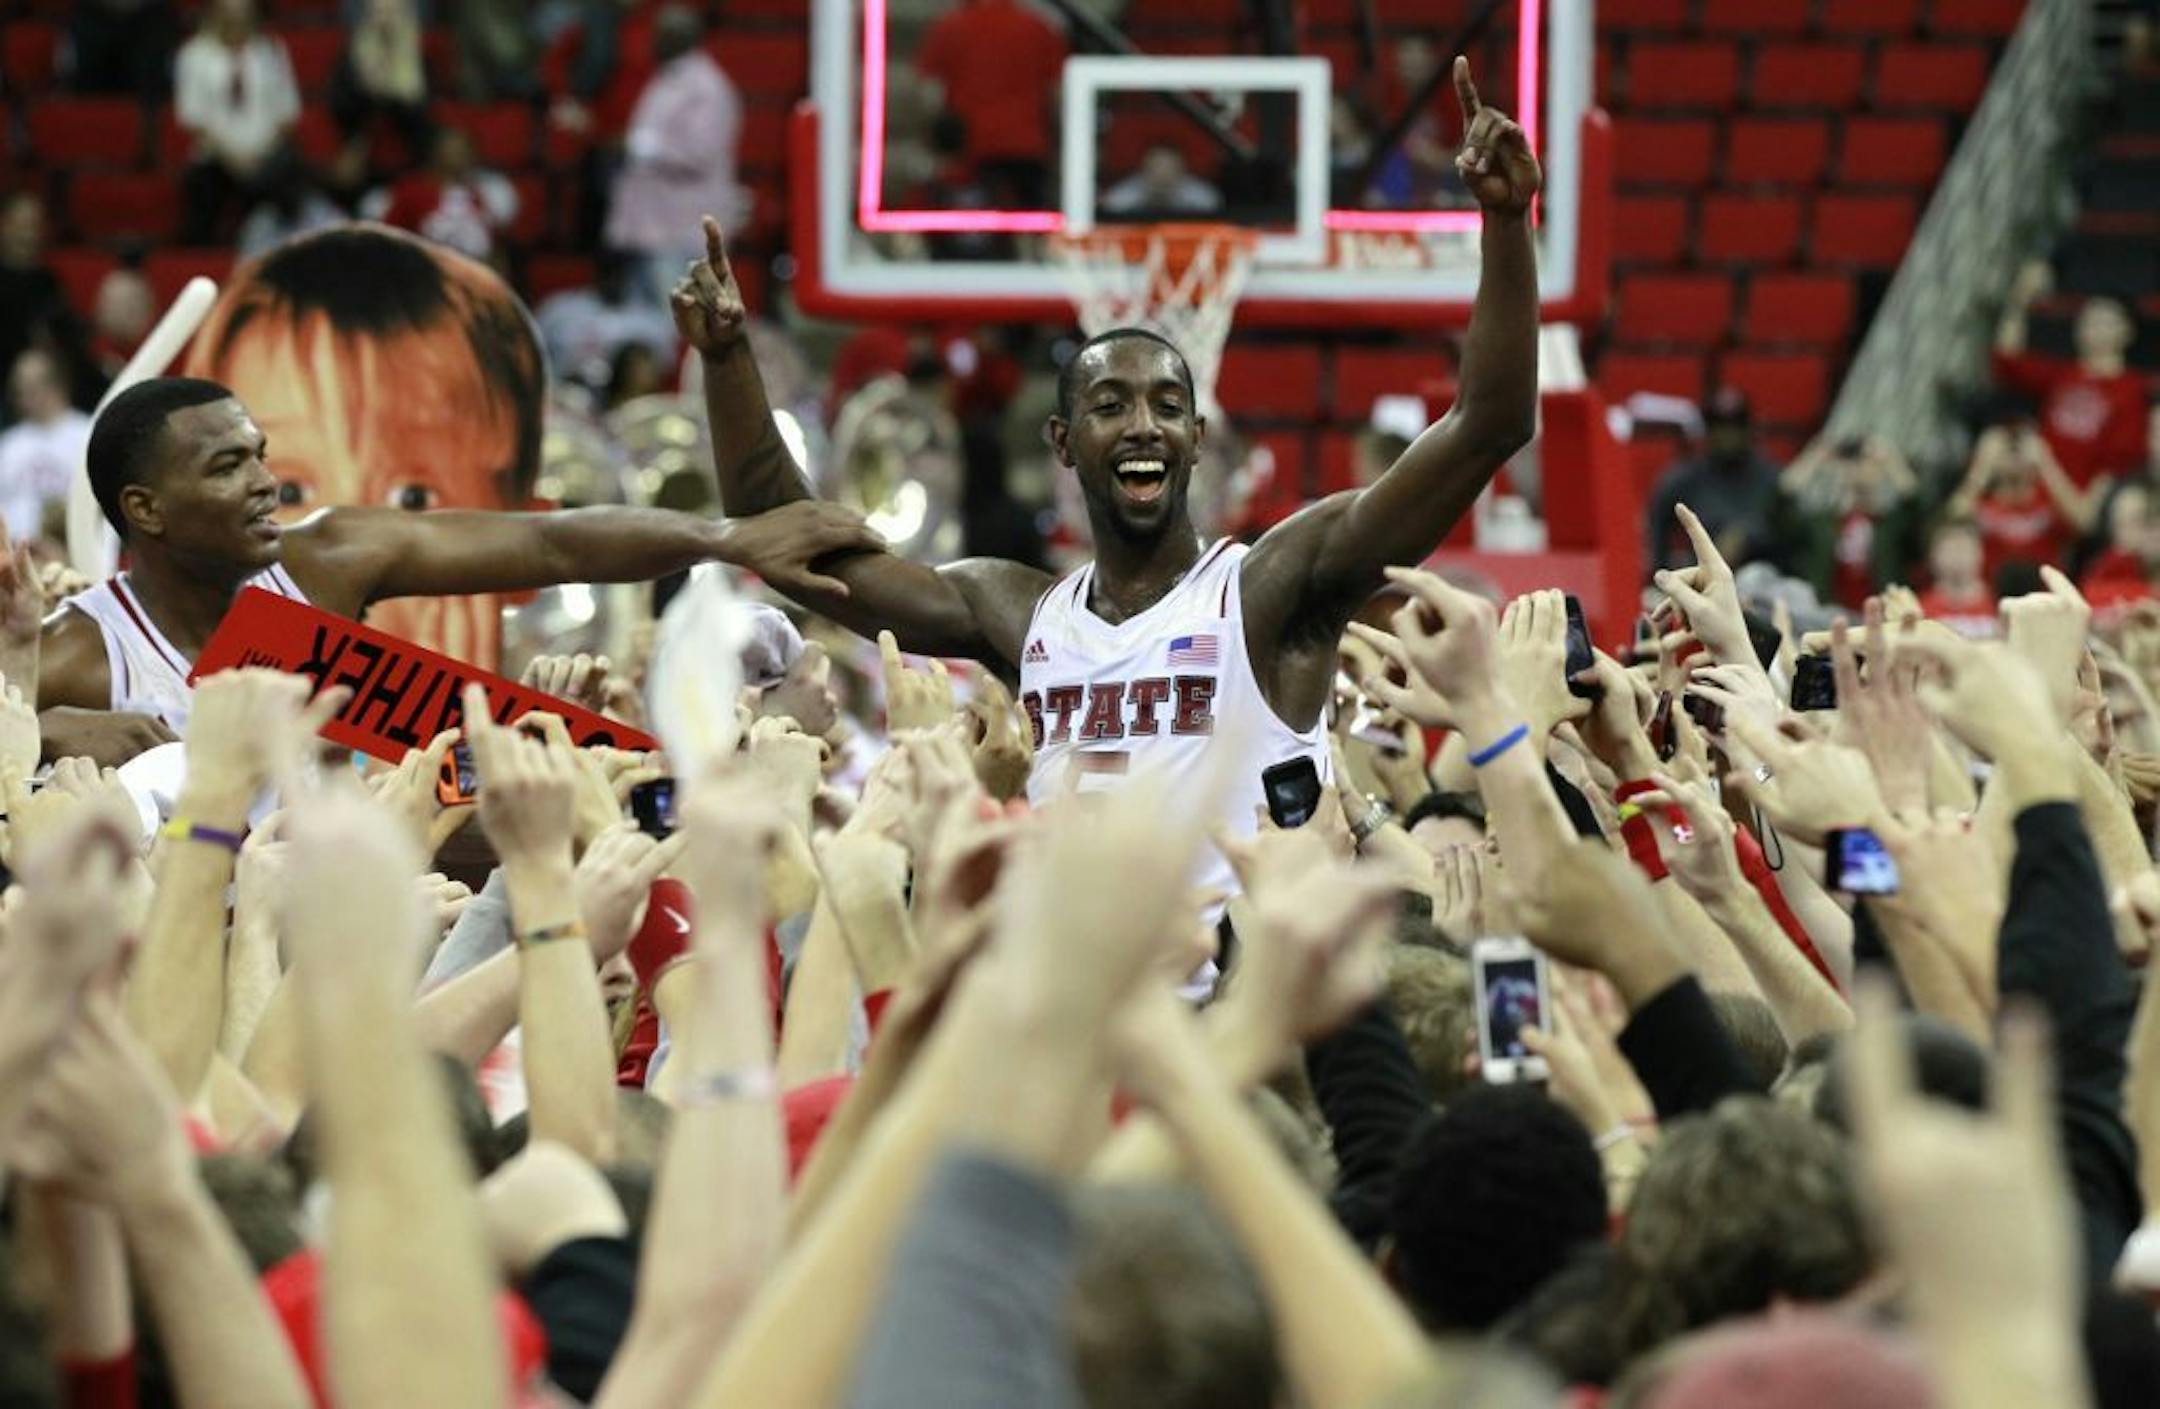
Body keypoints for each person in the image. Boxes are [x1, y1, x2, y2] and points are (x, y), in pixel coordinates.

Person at [682, 58, 1539, 890]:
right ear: (1062, 440)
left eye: (1168, 406)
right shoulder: (1015, 612)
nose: (1144, 425)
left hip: (1249, 1015)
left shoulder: (1273, 587)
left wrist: (1504, 226)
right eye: (1112, 404)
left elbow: (1487, 426)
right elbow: (796, 552)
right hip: (1083, 1018)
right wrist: (726, 361)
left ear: (1198, 438)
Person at [35, 376, 880, 763]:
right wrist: (32, 736)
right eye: (226, 466)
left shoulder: (323, 562)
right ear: (144, 509)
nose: (263, 480)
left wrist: (725, 538)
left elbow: (553, 545)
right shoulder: (75, 659)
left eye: (259, 455)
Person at [178, 224, 546, 663]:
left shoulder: (574, 715)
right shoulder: (158, 700)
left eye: (413, 499)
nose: (348, 553)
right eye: (287, 493)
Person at [604, 4, 749, 305]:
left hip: (684, 234)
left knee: (681, 324)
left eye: (666, 34)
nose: (656, 40)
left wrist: (639, 146)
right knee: (650, 324)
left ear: (688, 37)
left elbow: (699, 153)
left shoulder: (707, 87)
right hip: (650, 229)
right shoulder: (666, 79)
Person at [1994, 261, 2148, 491]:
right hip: (2036, 495)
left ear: (2127, 331)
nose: (2091, 327)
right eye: (2088, 319)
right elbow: (2006, 360)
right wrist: (2020, 300)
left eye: (2104, 321)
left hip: (2082, 504)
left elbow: (2120, 467)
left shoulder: (2131, 389)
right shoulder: (2063, 374)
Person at [914, 0, 1069, 206]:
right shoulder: (1038, 26)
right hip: (1026, 147)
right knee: (1027, 225)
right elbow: (1058, 92)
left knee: (973, 230)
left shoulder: (949, 26)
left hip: (969, 150)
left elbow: (929, 93)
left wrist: (942, 143)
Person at [174, 0, 302, 245]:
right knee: (201, 190)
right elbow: (193, 119)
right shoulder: (194, 54)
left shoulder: (272, 51)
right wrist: (234, 158)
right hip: (215, 158)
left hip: (266, 155)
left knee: (288, 179)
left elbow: (287, 112)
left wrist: (259, 154)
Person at [1770, 435, 1925, 611]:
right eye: (1851, 462)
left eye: (1864, 462)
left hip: (1882, 617)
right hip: (1826, 616)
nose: (1857, 469)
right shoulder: (1821, 524)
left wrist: (1892, 462)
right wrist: (1812, 460)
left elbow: (1918, 508)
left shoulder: (1890, 526)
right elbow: (1778, 515)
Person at [1644, 389, 1781, 575]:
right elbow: (1657, 526)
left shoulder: (1771, 478)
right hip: (1704, 580)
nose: (1727, 435)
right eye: (1719, 427)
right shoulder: (1686, 478)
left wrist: (1746, 536)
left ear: (1748, 429)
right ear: (1707, 431)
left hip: (1763, 578)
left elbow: (1790, 534)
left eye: (1735, 427)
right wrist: (1661, 573)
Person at [368, 126, 520, 264]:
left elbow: (494, 247)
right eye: (455, 149)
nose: (461, 155)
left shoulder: (477, 195)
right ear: (436, 151)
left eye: (466, 149)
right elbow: (387, 239)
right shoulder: (411, 191)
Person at [329, 0, 435, 173]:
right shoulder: (350, 60)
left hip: (410, 153)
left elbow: (425, 109)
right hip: (362, 154)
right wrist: (367, 86)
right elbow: (340, 106)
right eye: (380, 11)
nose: (386, 19)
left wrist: (395, 94)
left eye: (394, 12)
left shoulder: (420, 59)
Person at [0, 351, 91, 546]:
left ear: (57, 385)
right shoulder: (9, 444)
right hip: (19, 551)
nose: (24, 397)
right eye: (19, 389)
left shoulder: (87, 434)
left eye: (32, 387)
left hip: (74, 548)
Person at [1101, 145, 1224, 218]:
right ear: (1145, 168)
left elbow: (1210, 203)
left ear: (1181, 169)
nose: (1162, 173)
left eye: (1169, 167)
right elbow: (1111, 203)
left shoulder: (1196, 192)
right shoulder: (1131, 189)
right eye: (1157, 166)